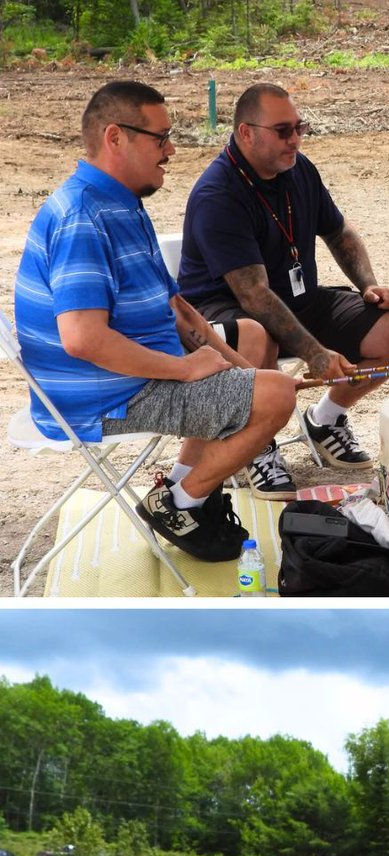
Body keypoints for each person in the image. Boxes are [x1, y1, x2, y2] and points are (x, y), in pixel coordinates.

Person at [13, 81, 299, 563]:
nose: (170, 150)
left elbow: (177, 307)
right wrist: (189, 370)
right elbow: (83, 339)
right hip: (103, 395)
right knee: (279, 396)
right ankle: (180, 503)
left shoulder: (121, 201)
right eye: (160, 138)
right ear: (115, 137)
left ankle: (181, 492)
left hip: (123, 378)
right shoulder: (84, 216)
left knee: (252, 363)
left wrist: (236, 369)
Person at [179, 82, 389, 475]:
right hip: (224, 310)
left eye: (299, 128)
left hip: (296, 297)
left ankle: (324, 420)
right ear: (246, 133)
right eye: (283, 131)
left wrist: (367, 285)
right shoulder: (218, 193)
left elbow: (339, 232)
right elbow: (254, 296)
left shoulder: (298, 168)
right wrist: (315, 353)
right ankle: (254, 446)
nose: (295, 140)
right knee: (258, 335)